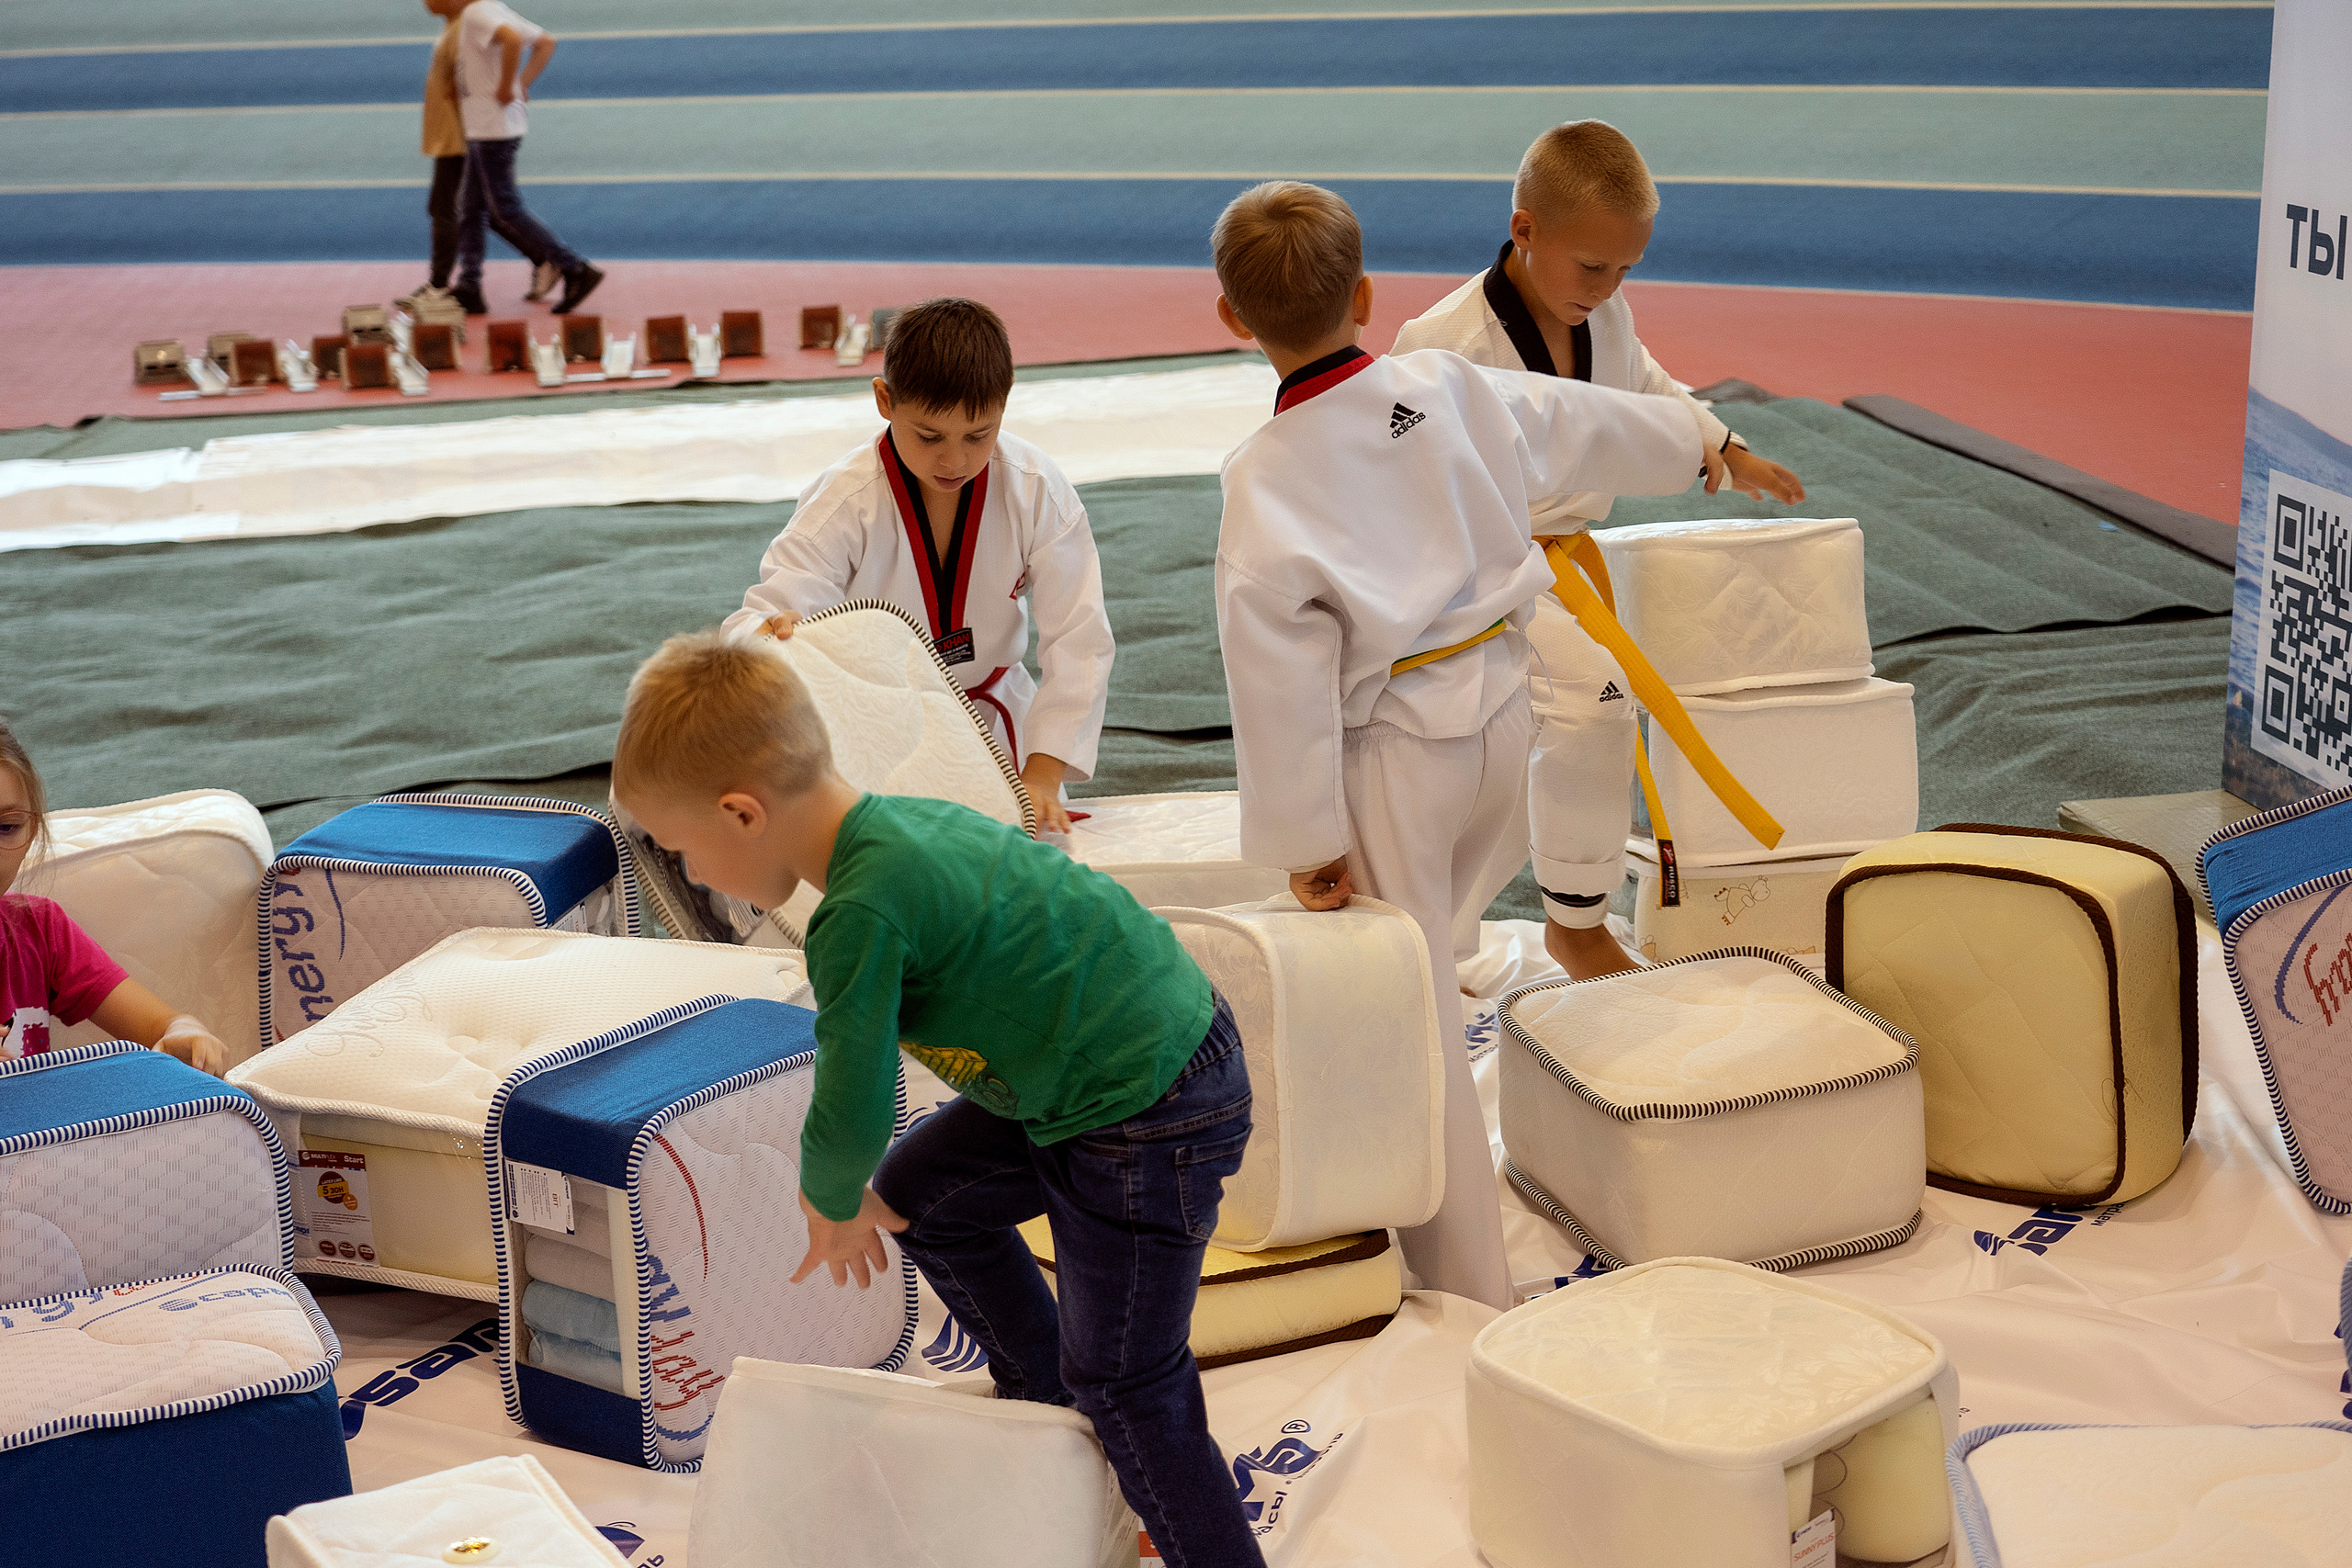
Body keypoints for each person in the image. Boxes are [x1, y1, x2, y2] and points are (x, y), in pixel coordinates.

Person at [612, 630, 1265, 1568]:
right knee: (919, 1198)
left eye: (685, 853)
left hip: (1140, 1109)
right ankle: (1049, 1419)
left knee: (1126, 1375)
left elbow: (854, 1079)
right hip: (1110, 1069)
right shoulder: (898, 824)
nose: (697, 878)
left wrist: (827, 1199)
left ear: (742, 813)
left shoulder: (858, 912)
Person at [1208, 181, 1705, 1310]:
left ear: (1232, 320)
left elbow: (1274, 667)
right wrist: (1699, 439)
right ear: (1369, 295)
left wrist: (1303, 837)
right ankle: (1436, 1227)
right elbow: (1582, 420)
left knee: (1413, 1014)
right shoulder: (1447, 385)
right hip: (1504, 714)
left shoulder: (1266, 472)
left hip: (1400, 754)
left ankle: (1467, 1291)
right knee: (1438, 954)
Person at [1392, 120, 1807, 982]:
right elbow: (1395, 474)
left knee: (1524, 759)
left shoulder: (1604, 313)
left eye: (1626, 268)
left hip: (1559, 565)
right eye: (1593, 266)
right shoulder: (1441, 346)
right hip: (1474, 577)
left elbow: (1647, 386)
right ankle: (1563, 926)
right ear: (1525, 229)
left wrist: (1723, 445)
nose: (1610, 287)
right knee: (1580, 709)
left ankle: (1472, 930)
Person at [721, 298, 1114, 835]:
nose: (954, 460)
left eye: (980, 434)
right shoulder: (846, 500)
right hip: (882, 729)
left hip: (1003, 729)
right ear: (885, 400)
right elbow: (764, 616)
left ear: (1005, 402)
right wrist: (770, 632)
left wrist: (1043, 774)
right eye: (929, 436)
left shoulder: (1035, 488)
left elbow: (1079, 636)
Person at [0, 724, 230, 1075]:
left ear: (33, 832)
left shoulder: (39, 928)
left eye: (7, 827)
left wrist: (185, 1033)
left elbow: (160, 1027)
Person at [445, 0, 603, 316]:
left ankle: (574, 268)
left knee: (504, 209)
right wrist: (520, 84)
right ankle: (469, 286)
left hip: (492, 128)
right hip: (487, 126)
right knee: (472, 210)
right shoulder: (491, 8)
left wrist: (508, 86)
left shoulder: (478, 13)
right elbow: (545, 42)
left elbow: (515, 41)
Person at [399, 0, 554, 318]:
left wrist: (510, 88)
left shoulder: (468, 25)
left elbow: (481, 71)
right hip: (452, 131)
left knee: (446, 207)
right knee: (484, 212)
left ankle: (439, 287)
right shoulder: (456, 25)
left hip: (461, 133)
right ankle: (544, 259)